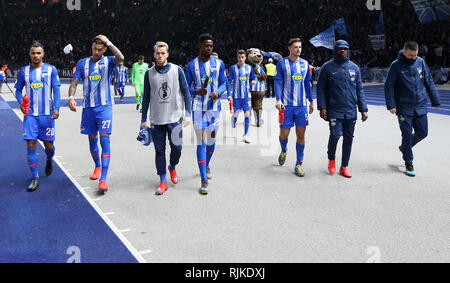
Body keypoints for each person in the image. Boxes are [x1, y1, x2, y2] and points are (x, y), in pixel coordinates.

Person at [68, 35, 125, 193]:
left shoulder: (108, 61)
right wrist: (71, 97)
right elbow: (74, 83)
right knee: (92, 139)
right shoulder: (82, 63)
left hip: (104, 107)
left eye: (101, 49)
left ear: (105, 49)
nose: (97, 52)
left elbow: (121, 57)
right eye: (95, 49)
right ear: (92, 47)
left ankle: (103, 179)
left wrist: (109, 41)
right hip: (88, 108)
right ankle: (97, 166)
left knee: (105, 139)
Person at [140, 41, 192, 195]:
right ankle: (163, 180)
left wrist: (188, 114)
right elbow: (146, 98)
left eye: (163, 53)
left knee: (177, 148)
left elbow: (187, 93)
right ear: (154, 54)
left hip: (175, 118)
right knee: (159, 151)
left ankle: (172, 166)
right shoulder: (149, 73)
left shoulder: (177, 70)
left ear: (168, 54)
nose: (160, 56)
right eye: (157, 53)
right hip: (157, 120)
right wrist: (143, 119)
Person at [385, 41, 440, 177]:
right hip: (404, 107)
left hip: (420, 105)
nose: (413, 58)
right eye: (410, 55)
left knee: (423, 132)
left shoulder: (420, 62)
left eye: (415, 55)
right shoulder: (396, 65)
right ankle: (409, 162)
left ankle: (404, 147)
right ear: (404, 52)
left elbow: (428, 81)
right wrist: (391, 105)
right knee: (407, 135)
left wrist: (435, 99)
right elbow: (389, 85)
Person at [316, 40, 369, 178]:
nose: (342, 51)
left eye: (345, 49)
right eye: (339, 49)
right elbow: (320, 89)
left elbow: (359, 90)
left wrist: (363, 109)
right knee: (335, 135)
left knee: (348, 139)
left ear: (348, 50)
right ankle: (331, 159)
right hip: (334, 109)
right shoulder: (327, 67)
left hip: (350, 110)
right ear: (335, 50)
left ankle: (344, 166)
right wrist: (322, 107)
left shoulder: (354, 68)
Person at [185, 33, 230, 195]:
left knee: (211, 141)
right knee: (201, 142)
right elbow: (186, 88)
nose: (209, 48)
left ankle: (206, 164)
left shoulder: (219, 64)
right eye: (206, 46)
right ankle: (203, 178)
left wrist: (217, 92)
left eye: (211, 46)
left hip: (214, 108)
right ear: (200, 46)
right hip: (198, 108)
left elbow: (225, 83)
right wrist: (196, 91)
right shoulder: (191, 66)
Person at [14, 41, 61, 191]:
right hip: (30, 115)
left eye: (38, 53)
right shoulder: (23, 71)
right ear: (30, 54)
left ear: (43, 54)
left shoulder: (51, 69)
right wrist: (21, 102)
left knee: (49, 146)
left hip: (47, 115)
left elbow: (57, 90)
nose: (36, 55)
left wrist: (57, 108)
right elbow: (18, 90)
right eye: (33, 53)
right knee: (31, 144)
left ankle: (49, 159)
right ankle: (35, 177)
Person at [275, 38, 314, 177]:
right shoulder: (282, 63)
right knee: (284, 134)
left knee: (301, 135)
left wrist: (311, 101)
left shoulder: (305, 64)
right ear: (289, 48)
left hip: (301, 106)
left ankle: (298, 164)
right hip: (286, 106)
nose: (298, 49)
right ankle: (284, 150)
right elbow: (278, 82)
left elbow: (307, 84)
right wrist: (278, 99)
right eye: (296, 47)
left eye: (300, 47)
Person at [227, 50, 256, 143]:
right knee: (236, 114)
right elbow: (229, 82)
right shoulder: (233, 68)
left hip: (247, 96)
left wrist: (253, 81)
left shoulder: (249, 68)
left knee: (247, 114)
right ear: (237, 58)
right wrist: (229, 95)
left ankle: (245, 135)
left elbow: (254, 77)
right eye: (239, 57)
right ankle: (234, 120)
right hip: (236, 97)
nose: (241, 59)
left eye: (242, 57)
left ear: (245, 58)